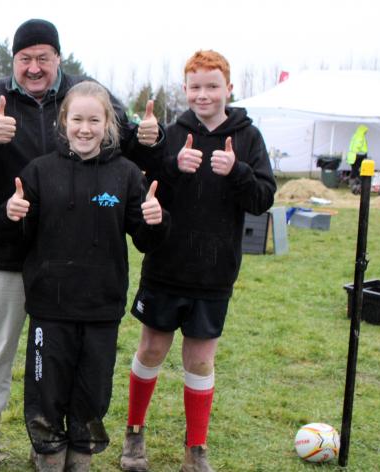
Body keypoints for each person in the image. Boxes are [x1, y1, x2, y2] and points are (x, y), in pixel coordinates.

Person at [0, 19, 162, 472]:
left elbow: (124, 146)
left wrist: (153, 139)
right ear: (13, 60)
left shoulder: (87, 95)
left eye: (42, 58)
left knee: (62, 360)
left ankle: (48, 443)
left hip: (78, 267)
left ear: (58, 59)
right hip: (8, 248)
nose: (33, 67)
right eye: (25, 59)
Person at [0, 81, 168, 471]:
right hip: (49, 307)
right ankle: (49, 457)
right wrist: (11, 216)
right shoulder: (39, 171)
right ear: (64, 120)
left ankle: (80, 460)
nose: (85, 129)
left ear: (108, 123)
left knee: (92, 392)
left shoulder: (125, 174)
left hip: (101, 308)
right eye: (77, 119)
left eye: (94, 120)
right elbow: (14, 238)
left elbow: (145, 238)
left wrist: (156, 221)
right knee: (46, 391)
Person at [120, 50, 276, 472]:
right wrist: (172, 166)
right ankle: (134, 435)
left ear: (229, 88)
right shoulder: (173, 133)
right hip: (166, 265)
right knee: (151, 348)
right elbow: (146, 187)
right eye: (195, 87)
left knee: (201, 359)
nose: (203, 95)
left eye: (212, 86)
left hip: (215, 271)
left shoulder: (248, 137)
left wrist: (238, 171)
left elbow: (263, 199)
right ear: (185, 89)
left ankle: (196, 450)